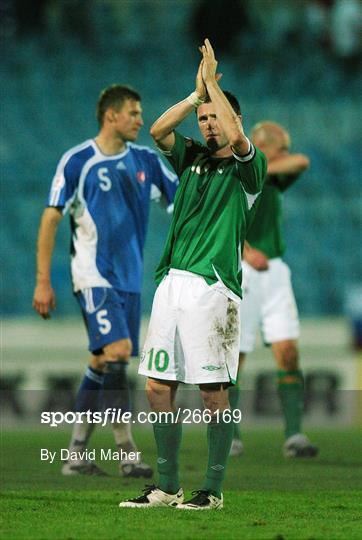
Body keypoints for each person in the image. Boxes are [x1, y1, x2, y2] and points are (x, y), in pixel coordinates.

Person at [119, 39, 266, 510]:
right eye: (203, 120)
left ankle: (214, 490)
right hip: (173, 283)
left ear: (231, 121)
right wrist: (195, 94)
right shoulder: (193, 159)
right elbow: (158, 132)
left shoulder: (249, 169)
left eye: (212, 118)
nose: (206, 125)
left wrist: (215, 87)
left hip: (213, 288)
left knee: (211, 392)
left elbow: (240, 139)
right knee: (158, 387)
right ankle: (166, 486)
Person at [32, 84, 178, 477]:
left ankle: (76, 454)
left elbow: (183, 203)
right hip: (93, 274)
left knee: (102, 361)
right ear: (111, 116)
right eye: (133, 112)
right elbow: (51, 218)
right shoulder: (78, 161)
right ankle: (127, 451)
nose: (141, 120)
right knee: (118, 351)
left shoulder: (146, 160)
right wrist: (43, 280)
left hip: (130, 281)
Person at [228, 121, 318, 458]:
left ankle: (294, 435)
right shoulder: (237, 174)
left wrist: (266, 165)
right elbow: (224, 217)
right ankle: (230, 435)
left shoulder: (274, 176)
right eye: (283, 148)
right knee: (235, 357)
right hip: (244, 270)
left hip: (276, 273)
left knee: (288, 352)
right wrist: (246, 249)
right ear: (265, 146)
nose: (289, 154)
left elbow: (302, 162)